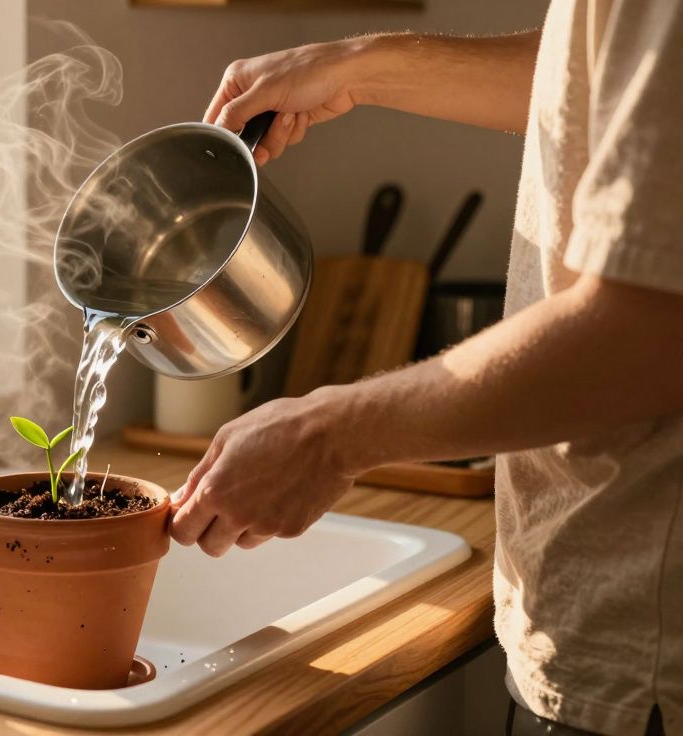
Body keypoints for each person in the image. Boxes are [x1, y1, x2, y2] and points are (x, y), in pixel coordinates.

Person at [171, 3, 681, 735]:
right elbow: (604, 79)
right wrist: (360, 65)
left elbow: (645, 336)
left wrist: (329, 435)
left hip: (649, 654)